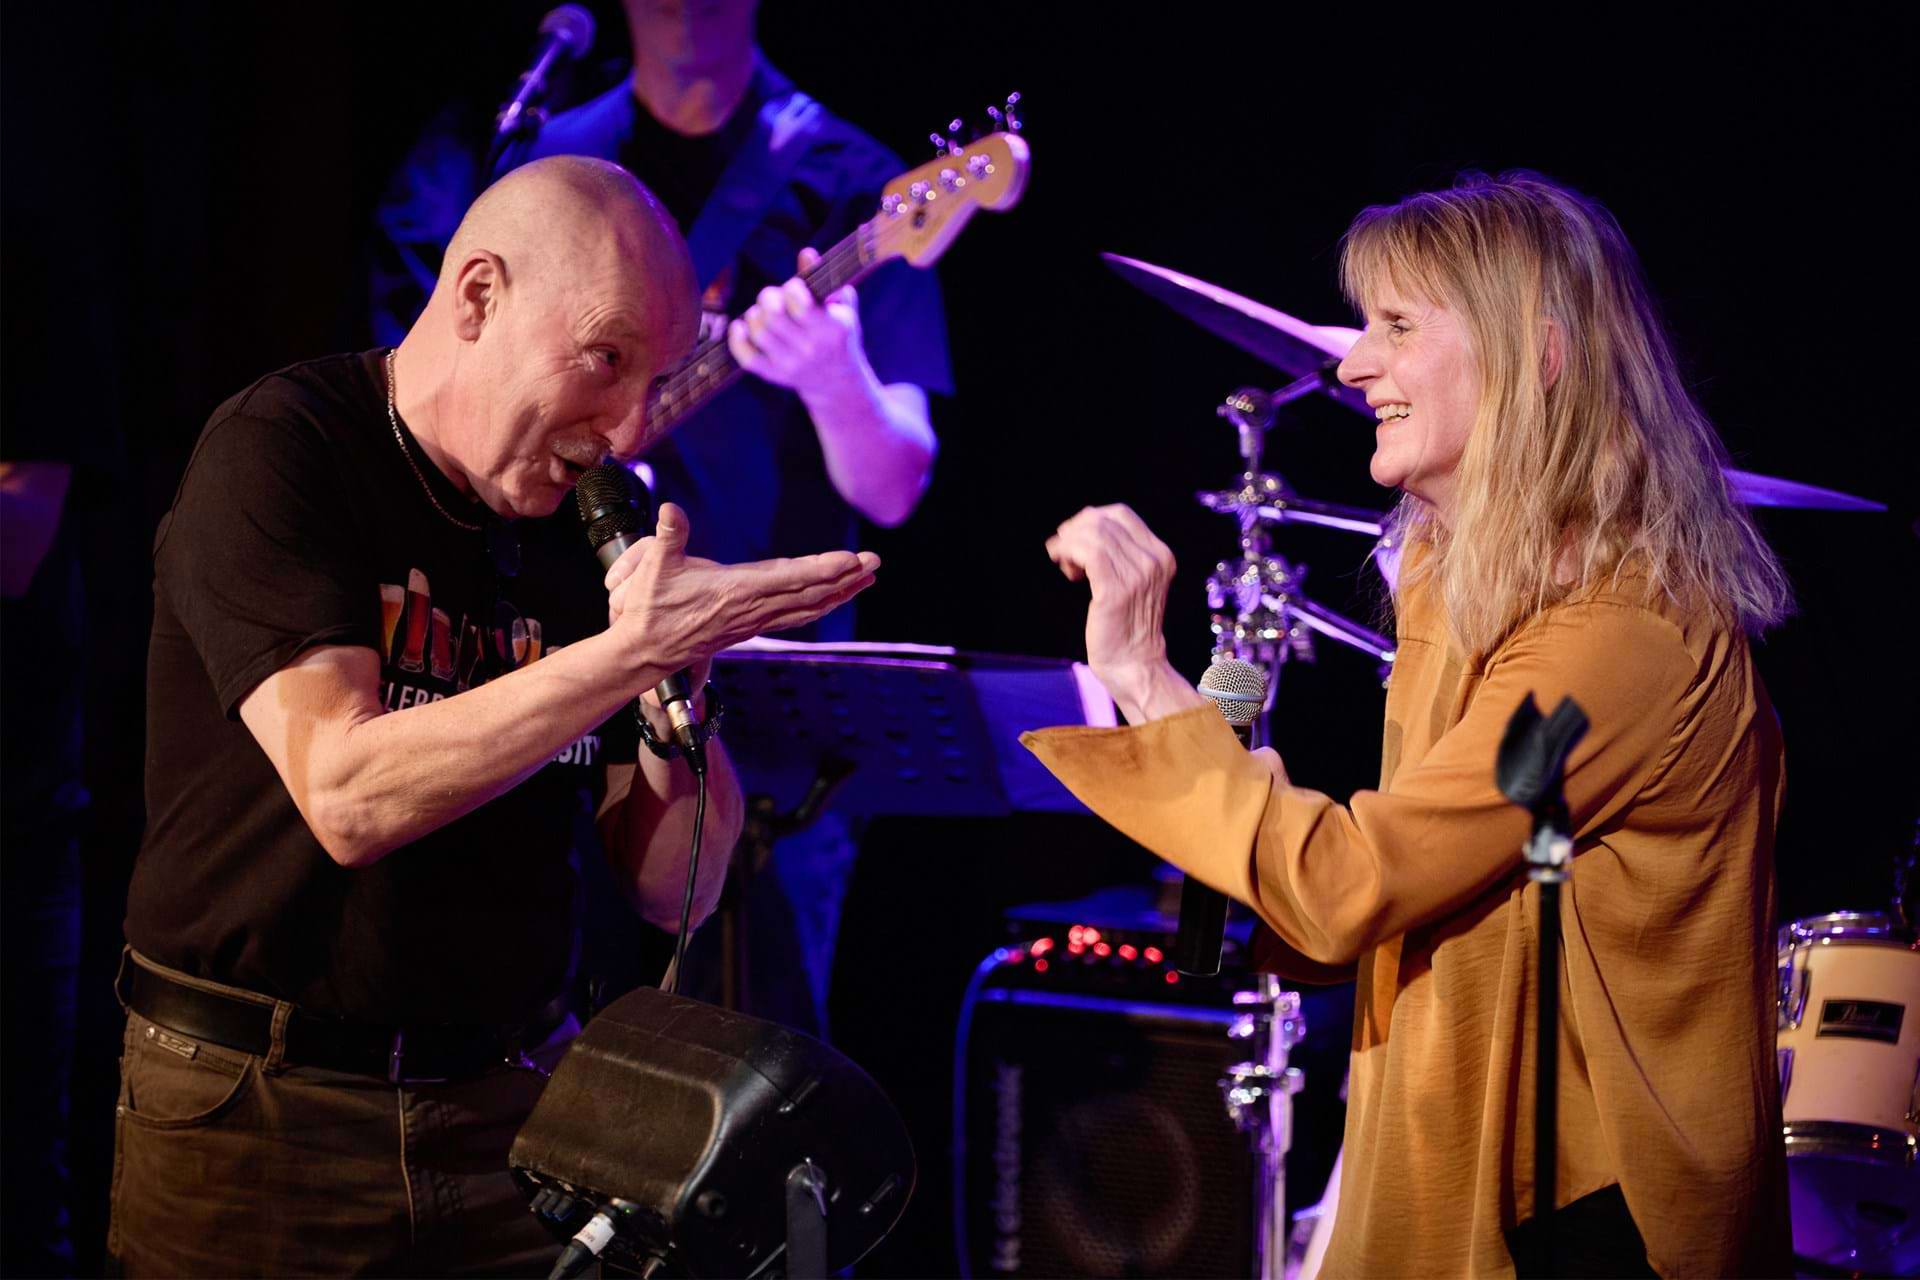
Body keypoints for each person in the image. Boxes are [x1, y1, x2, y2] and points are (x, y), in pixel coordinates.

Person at [111, 156, 879, 1275]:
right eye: (606, 359)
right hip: (262, 1107)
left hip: (513, 1108)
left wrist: (680, 680)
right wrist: (625, 654)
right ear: (478, 296)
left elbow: (676, 885)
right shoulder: (284, 448)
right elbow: (348, 794)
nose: (627, 426)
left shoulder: (587, 518)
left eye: (654, 380)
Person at [1025, 172, 1793, 1278]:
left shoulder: (1620, 639)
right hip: (1448, 1149)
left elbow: (1350, 885)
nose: (1349, 365)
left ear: (1537, 355)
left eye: (1396, 326)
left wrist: (1146, 678)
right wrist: (1153, 690)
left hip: (1583, 1220)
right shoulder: (1455, 577)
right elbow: (1377, 884)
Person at [373, 0, 953, 1037]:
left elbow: (896, 484)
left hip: (770, 694)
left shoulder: (845, 173)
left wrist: (833, 378)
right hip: (552, 656)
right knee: (539, 1003)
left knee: (760, 1045)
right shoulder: (553, 158)